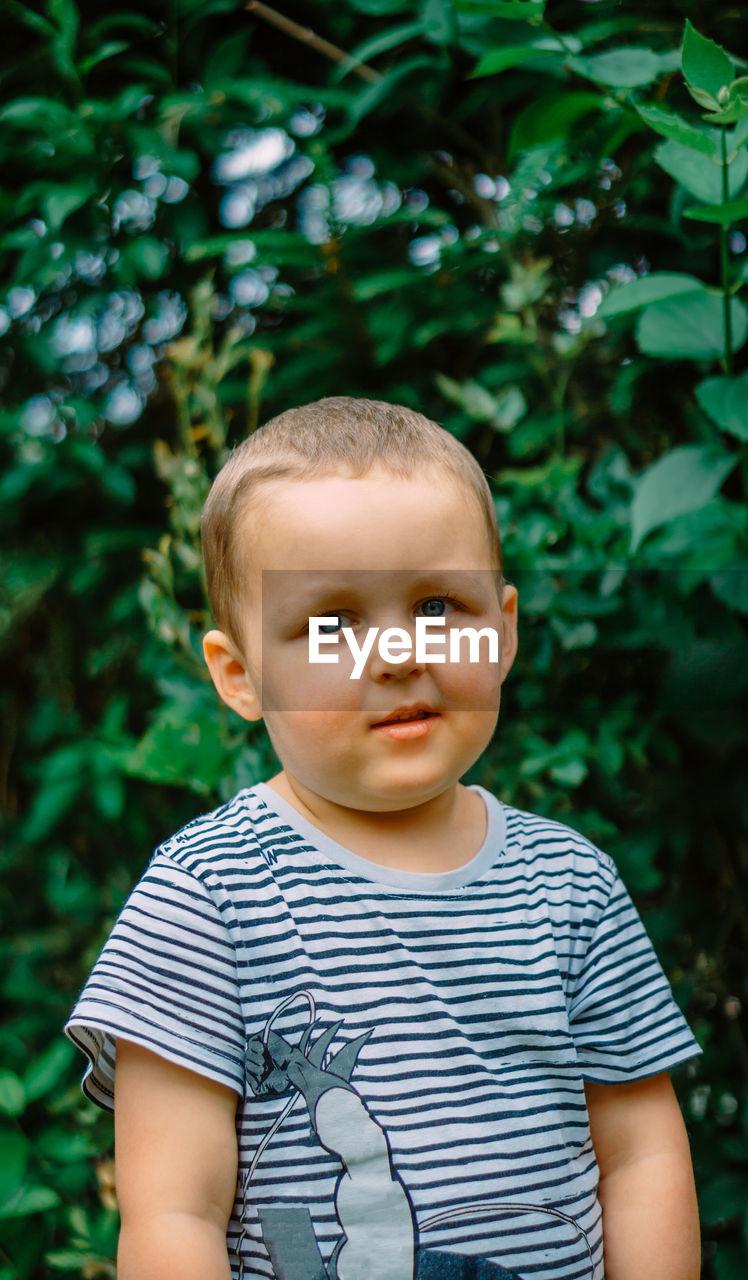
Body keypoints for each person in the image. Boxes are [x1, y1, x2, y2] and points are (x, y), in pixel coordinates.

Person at [66, 397, 701, 1280]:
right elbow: (173, 1211)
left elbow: (642, 1158)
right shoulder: (208, 894)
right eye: (332, 627)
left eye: (438, 604)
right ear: (240, 675)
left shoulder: (571, 884)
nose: (397, 654)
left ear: (505, 628)